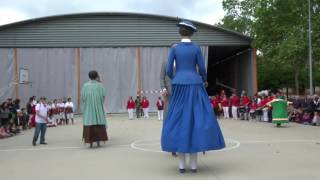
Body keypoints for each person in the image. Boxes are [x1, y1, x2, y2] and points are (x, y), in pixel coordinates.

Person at [161, 20, 225, 173]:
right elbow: (202, 69)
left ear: (180, 33)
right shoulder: (196, 48)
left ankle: (181, 166)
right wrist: (203, 79)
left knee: (179, 120)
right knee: (197, 119)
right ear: (191, 33)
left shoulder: (175, 49)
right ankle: (194, 166)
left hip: (178, 85)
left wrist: (177, 77)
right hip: (195, 85)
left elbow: (169, 71)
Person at [81, 70, 108, 148]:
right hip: (98, 108)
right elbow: (103, 96)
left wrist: (88, 103)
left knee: (89, 120)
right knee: (98, 119)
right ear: (96, 76)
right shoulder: (100, 85)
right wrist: (99, 103)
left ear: (89, 77)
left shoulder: (85, 86)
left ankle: (90, 142)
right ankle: (99, 142)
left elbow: (83, 98)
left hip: (89, 109)